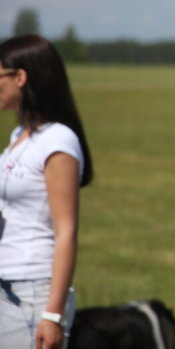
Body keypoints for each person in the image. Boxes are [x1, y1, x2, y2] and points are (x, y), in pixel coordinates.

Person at [0, 34, 93, 349]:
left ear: (20, 78)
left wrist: (52, 315)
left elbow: (66, 231)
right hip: (7, 287)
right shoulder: (19, 137)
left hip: (33, 294)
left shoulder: (57, 141)